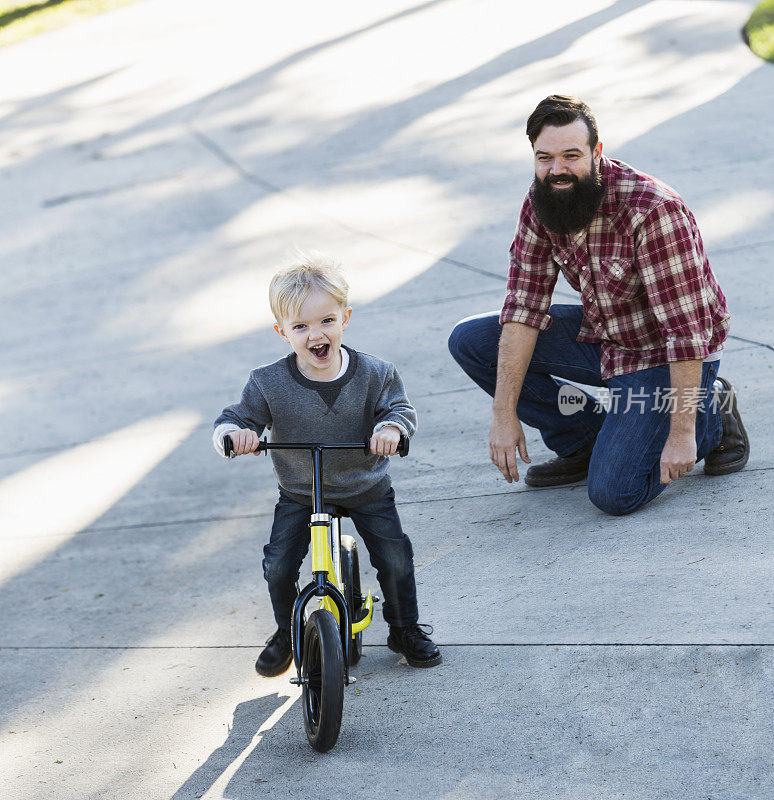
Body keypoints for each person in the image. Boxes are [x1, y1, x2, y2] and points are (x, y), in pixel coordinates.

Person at [448, 95, 749, 516]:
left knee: (614, 493)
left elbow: (685, 334)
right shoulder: (542, 200)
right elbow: (523, 309)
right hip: (607, 336)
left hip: (665, 355)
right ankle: (581, 440)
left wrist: (682, 436)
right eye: (545, 157)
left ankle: (710, 414)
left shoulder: (652, 210)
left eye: (572, 155)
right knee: (472, 340)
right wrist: (503, 415)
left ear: (597, 152)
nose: (557, 169)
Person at [213, 255, 441, 676]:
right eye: (300, 326)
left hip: (365, 484)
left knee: (394, 557)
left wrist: (391, 428)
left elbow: (400, 409)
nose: (315, 334)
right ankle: (286, 631)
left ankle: (404, 628)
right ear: (282, 332)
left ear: (345, 319)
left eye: (326, 321)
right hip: (301, 491)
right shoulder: (267, 381)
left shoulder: (376, 373)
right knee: (278, 565)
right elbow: (236, 417)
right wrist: (234, 435)